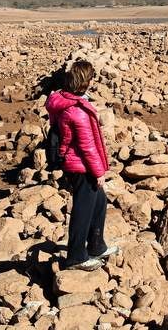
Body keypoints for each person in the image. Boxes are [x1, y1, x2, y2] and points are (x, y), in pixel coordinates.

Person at [46, 60, 118, 270]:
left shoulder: (66, 101)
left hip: (77, 163)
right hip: (81, 166)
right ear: (86, 82)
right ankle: (76, 256)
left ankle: (96, 245)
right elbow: (87, 147)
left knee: (99, 202)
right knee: (83, 210)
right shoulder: (76, 111)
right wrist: (98, 173)